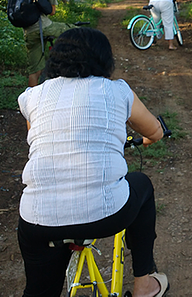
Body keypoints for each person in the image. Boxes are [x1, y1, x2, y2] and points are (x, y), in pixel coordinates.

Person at [17, 27, 169, 297]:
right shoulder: (117, 91)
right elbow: (154, 132)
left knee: (39, 291)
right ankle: (144, 285)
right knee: (141, 184)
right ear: (104, 60)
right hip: (106, 214)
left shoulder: (33, 96)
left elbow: (36, 136)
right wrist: (146, 139)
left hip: (37, 219)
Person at [24, 0, 74, 87]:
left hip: (29, 31)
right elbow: (52, 12)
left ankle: (31, 102)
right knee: (74, 30)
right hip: (45, 27)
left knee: (34, 71)